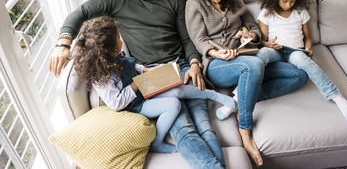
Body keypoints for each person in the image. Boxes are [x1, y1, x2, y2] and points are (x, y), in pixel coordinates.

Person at [49, 0, 227, 168]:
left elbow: (187, 39)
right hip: (151, 77)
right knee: (185, 128)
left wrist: (194, 64)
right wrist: (63, 43)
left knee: (205, 125)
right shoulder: (118, 1)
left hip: (181, 68)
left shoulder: (174, 1)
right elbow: (81, 13)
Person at [184, 0, 308, 167]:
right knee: (255, 65)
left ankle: (240, 100)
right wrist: (217, 52)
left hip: (244, 54)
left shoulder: (235, 2)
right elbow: (198, 39)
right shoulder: (194, 4)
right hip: (216, 63)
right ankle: (245, 130)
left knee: (298, 75)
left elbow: (254, 28)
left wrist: (250, 35)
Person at [73, 16, 236, 153]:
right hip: (135, 105)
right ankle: (157, 142)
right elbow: (116, 103)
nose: (120, 39)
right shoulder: (102, 77)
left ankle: (214, 95)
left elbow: (131, 65)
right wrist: (137, 84)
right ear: (111, 48)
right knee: (173, 104)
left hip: (142, 88)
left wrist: (145, 70)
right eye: (118, 37)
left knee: (177, 89)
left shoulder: (112, 58)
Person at [256, 0, 347, 123]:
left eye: (292, 1)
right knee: (262, 54)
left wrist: (309, 49)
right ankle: (238, 96)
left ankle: (336, 96)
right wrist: (267, 44)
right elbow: (262, 41)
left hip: (295, 52)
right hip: (275, 50)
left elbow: (308, 38)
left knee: (301, 58)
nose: (289, 4)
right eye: (284, 1)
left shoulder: (300, 12)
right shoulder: (266, 13)